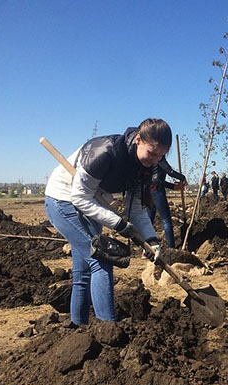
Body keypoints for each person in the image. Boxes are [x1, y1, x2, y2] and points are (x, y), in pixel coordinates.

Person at [44, 118, 171, 326]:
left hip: (92, 204)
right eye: (152, 152)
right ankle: (109, 330)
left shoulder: (144, 167)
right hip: (64, 199)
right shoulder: (104, 152)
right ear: (138, 140)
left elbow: (136, 209)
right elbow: (79, 197)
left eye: (161, 156)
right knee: (101, 260)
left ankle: (79, 329)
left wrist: (151, 240)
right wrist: (118, 224)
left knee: (84, 272)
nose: (155, 160)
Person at [146, 157, 186, 248]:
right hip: (157, 192)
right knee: (166, 221)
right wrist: (182, 177)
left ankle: (147, 249)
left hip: (148, 191)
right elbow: (170, 172)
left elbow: (158, 179)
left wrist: (173, 187)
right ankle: (171, 248)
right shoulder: (159, 158)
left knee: (149, 221)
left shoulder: (151, 159)